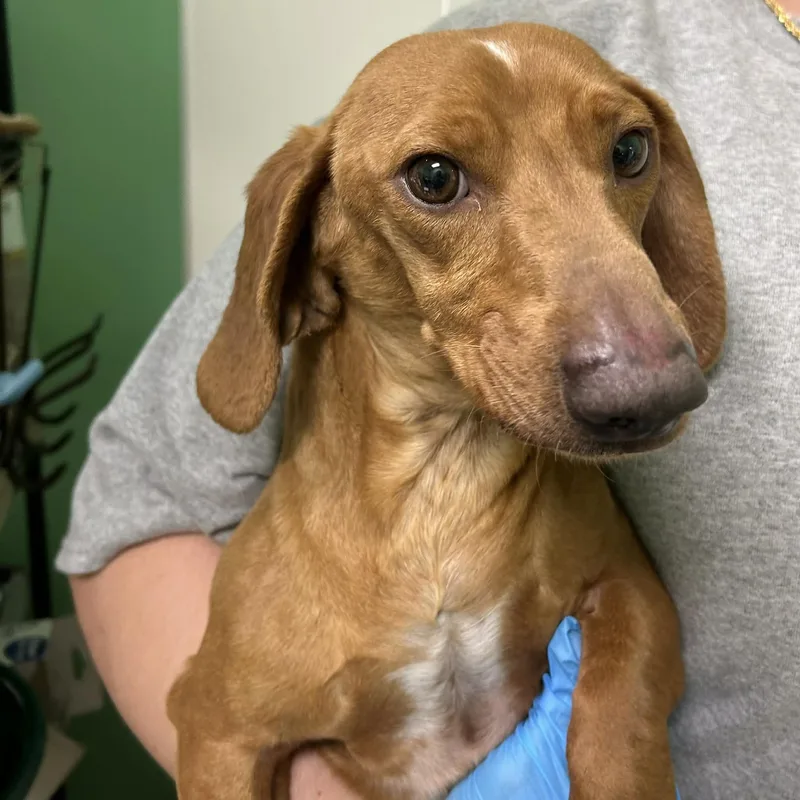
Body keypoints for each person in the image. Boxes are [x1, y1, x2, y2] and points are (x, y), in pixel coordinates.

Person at [59, 0, 799, 797]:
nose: (641, 377)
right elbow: (141, 505)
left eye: (625, 153)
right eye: (438, 181)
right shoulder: (564, 24)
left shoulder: (567, 522)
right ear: (318, 251)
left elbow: (626, 599)